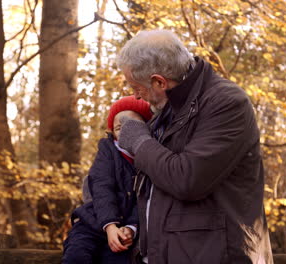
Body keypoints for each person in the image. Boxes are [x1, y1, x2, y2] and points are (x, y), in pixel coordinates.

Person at [116, 30, 273, 263]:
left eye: (137, 88)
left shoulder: (226, 102)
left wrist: (140, 141)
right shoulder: (169, 107)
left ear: (159, 81)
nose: (137, 97)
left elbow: (187, 179)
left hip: (217, 256)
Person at [62, 96, 153, 264]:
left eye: (132, 125)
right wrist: (110, 225)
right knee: (77, 255)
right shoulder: (108, 151)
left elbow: (144, 200)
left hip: (123, 231)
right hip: (92, 221)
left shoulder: (149, 160)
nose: (126, 132)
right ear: (113, 134)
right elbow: (102, 187)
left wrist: (131, 228)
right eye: (119, 128)